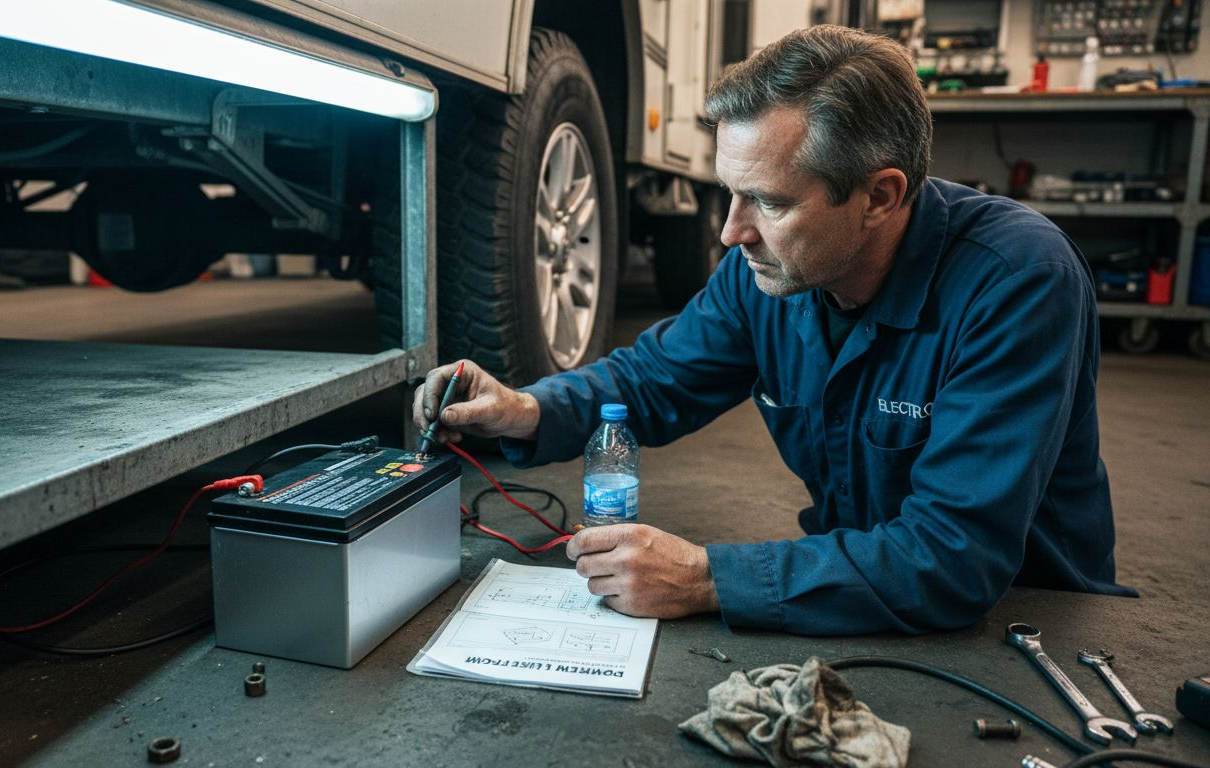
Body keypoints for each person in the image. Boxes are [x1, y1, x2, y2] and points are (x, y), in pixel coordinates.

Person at [412, 24, 1135, 635]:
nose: (732, 233)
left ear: (879, 196)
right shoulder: (772, 271)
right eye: (730, 192)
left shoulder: (1016, 281)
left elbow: (953, 557)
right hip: (853, 595)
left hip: (1024, 627)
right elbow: (655, 377)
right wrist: (526, 408)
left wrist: (705, 577)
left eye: (768, 201)